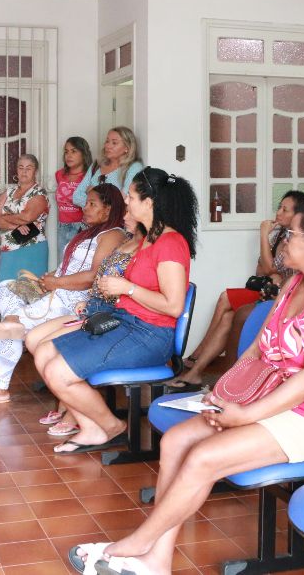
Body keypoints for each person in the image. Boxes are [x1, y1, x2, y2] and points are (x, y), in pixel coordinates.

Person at [67, 202, 304, 575]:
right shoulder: (294, 284)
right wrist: (227, 393)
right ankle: (157, 560)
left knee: (202, 458)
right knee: (175, 442)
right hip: (265, 401)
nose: (283, 240)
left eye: (290, 233)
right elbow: (257, 349)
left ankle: (135, 544)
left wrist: (245, 415)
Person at [34, 167, 196, 454]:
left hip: (149, 334)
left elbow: (173, 306)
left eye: (131, 196)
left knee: (57, 372)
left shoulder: (170, 243)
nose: (126, 201)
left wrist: (127, 288)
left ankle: (111, 427)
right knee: (44, 353)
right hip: (124, 322)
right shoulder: (148, 240)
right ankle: (92, 428)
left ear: (149, 203)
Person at [0, 184, 126, 406]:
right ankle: (13, 320)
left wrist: (56, 282)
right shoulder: (90, 232)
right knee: (10, 289)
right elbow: (73, 267)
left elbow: (93, 276)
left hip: (74, 301)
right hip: (58, 291)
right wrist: (52, 276)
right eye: (86, 203)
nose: (85, 208)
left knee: (12, 328)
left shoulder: (112, 235)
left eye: (92, 204)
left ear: (108, 209)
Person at [167, 191, 304, 389]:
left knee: (229, 305)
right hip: (273, 291)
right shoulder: (281, 236)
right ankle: (199, 370)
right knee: (227, 312)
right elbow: (262, 270)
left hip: (279, 295)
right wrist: (271, 269)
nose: (278, 212)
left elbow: (270, 268)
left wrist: (263, 235)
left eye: (284, 209)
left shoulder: (296, 241)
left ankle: (201, 363)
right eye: (279, 207)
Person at [26, 210, 144, 437]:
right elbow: (100, 280)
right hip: (91, 308)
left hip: (106, 315)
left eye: (130, 210)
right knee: (32, 338)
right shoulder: (126, 240)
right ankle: (70, 403)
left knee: (46, 350)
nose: (125, 214)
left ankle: (73, 411)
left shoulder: (143, 246)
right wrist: (88, 300)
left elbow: (127, 289)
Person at [0, 154, 50, 282]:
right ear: (17, 170)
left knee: (31, 289)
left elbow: (26, 217)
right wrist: (16, 226)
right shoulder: (9, 191)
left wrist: (4, 216)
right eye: (21, 167)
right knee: (6, 288)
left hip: (32, 247)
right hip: (8, 248)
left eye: (28, 168)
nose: (24, 171)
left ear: (35, 171)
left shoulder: (39, 193)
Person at [71, 126, 144, 207]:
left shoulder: (134, 167)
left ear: (127, 147)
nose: (108, 146)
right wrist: (104, 203)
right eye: (107, 141)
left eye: (114, 143)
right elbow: (76, 197)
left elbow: (123, 200)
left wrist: (93, 192)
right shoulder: (97, 164)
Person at [55, 136, 92, 257]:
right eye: (66, 152)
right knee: (63, 263)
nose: (69, 155)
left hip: (81, 227)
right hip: (62, 226)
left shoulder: (89, 176)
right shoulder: (60, 174)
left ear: (84, 154)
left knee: (78, 262)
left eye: (74, 151)